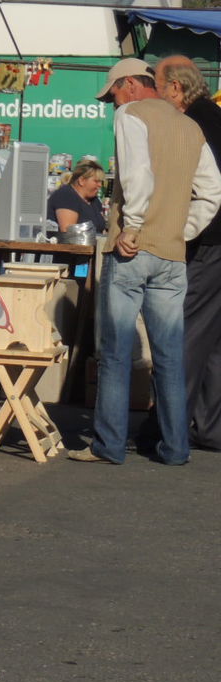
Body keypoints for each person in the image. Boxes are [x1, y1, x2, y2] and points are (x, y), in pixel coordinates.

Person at [68, 58, 221, 465]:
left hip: (132, 249)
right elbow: (212, 190)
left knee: (117, 354)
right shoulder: (190, 126)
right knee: (170, 354)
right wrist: (183, 230)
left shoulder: (130, 115)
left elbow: (137, 175)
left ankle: (109, 445)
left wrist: (133, 227)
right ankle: (175, 448)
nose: (111, 101)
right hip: (173, 253)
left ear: (132, 85)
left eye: (114, 92)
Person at [148, 56, 221, 450]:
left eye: (158, 87)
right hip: (216, 244)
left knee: (187, 336)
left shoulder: (193, 124)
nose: (157, 96)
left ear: (175, 88)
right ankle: (210, 428)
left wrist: (184, 233)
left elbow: (208, 191)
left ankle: (169, 429)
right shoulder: (216, 117)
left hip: (209, 243)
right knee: (213, 342)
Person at [47, 160, 107, 234]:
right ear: (81, 180)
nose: (100, 185)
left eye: (101, 182)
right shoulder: (66, 195)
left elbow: (101, 228)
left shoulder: (94, 200)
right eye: (96, 181)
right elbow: (68, 231)